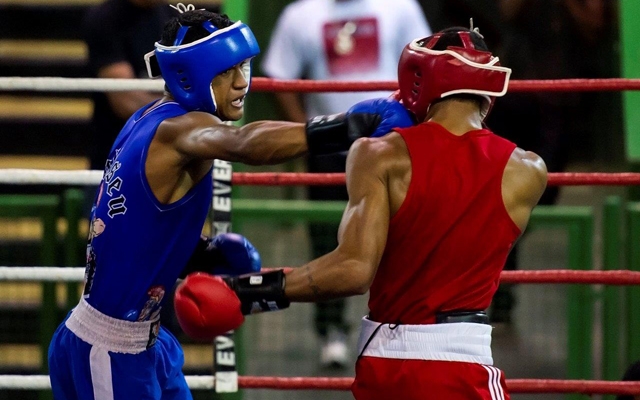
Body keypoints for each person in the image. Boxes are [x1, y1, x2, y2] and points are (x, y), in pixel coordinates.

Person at [48, 6, 413, 400]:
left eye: (244, 67)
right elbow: (245, 143)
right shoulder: (180, 129)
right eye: (226, 72)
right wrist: (347, 127)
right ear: (190, 74)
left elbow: (132, 226)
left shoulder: (148, 118)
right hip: (109, 348)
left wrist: (199, 254)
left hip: (144, 342)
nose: (242, 83)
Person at [206, 26, 548, 398]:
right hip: (462, 363)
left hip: (384, 362)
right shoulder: (527, 171)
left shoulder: (380, 154)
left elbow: (352, 270)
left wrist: (245, 290)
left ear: (418, 77)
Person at [261, 0, 431, 368]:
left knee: (401, 239)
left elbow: (424, 69)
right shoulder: (300, 15)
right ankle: (331, 331)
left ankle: (401, 323)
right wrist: (307, 139)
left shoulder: (400, 7)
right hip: (331, 150)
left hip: (394, 148)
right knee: (328, 238)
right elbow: (279, 76)